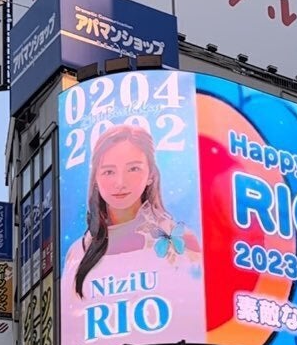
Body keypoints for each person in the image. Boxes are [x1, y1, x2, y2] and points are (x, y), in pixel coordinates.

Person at [65, 123, 201, 298]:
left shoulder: (180, 239)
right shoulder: (78, 252)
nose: (120, 183)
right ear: (96, 178)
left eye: (133, 169)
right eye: (109, 172)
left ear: (150, 175)